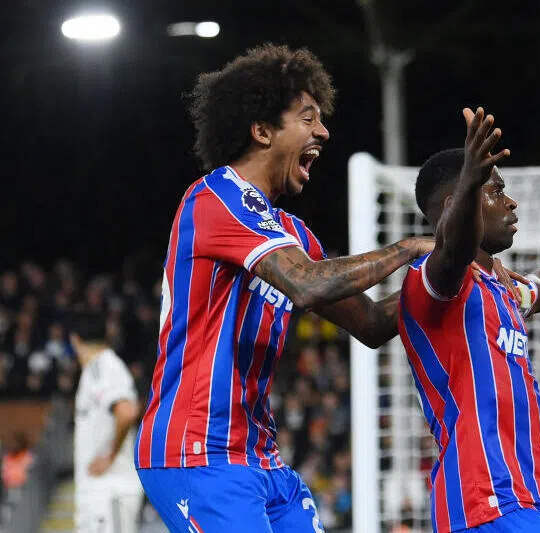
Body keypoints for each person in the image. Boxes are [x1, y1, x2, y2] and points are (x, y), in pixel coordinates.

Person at [134, 42, 441, 533]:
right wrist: (407, 249)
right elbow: (305, 285)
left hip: (262, 458)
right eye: (307, 117)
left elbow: (372, 323)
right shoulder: (215, 199)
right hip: (197, 452)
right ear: (261, 130)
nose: (323, 131)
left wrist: (444, 275)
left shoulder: (294, 236)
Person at [398, 107, 540, 533]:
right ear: (458, 204)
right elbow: (453, 249)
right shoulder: (436, 281)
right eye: (495, 191)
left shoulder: (503, 288)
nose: (510, 202)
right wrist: (470, 182)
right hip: (483, 502)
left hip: (535, 501)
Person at [69, 309, 143, 533]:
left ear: (75, 340)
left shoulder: (102, 366)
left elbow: (127, 411)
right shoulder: (97, 368)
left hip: (109, 489)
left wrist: (110, 455)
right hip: (99, 493)